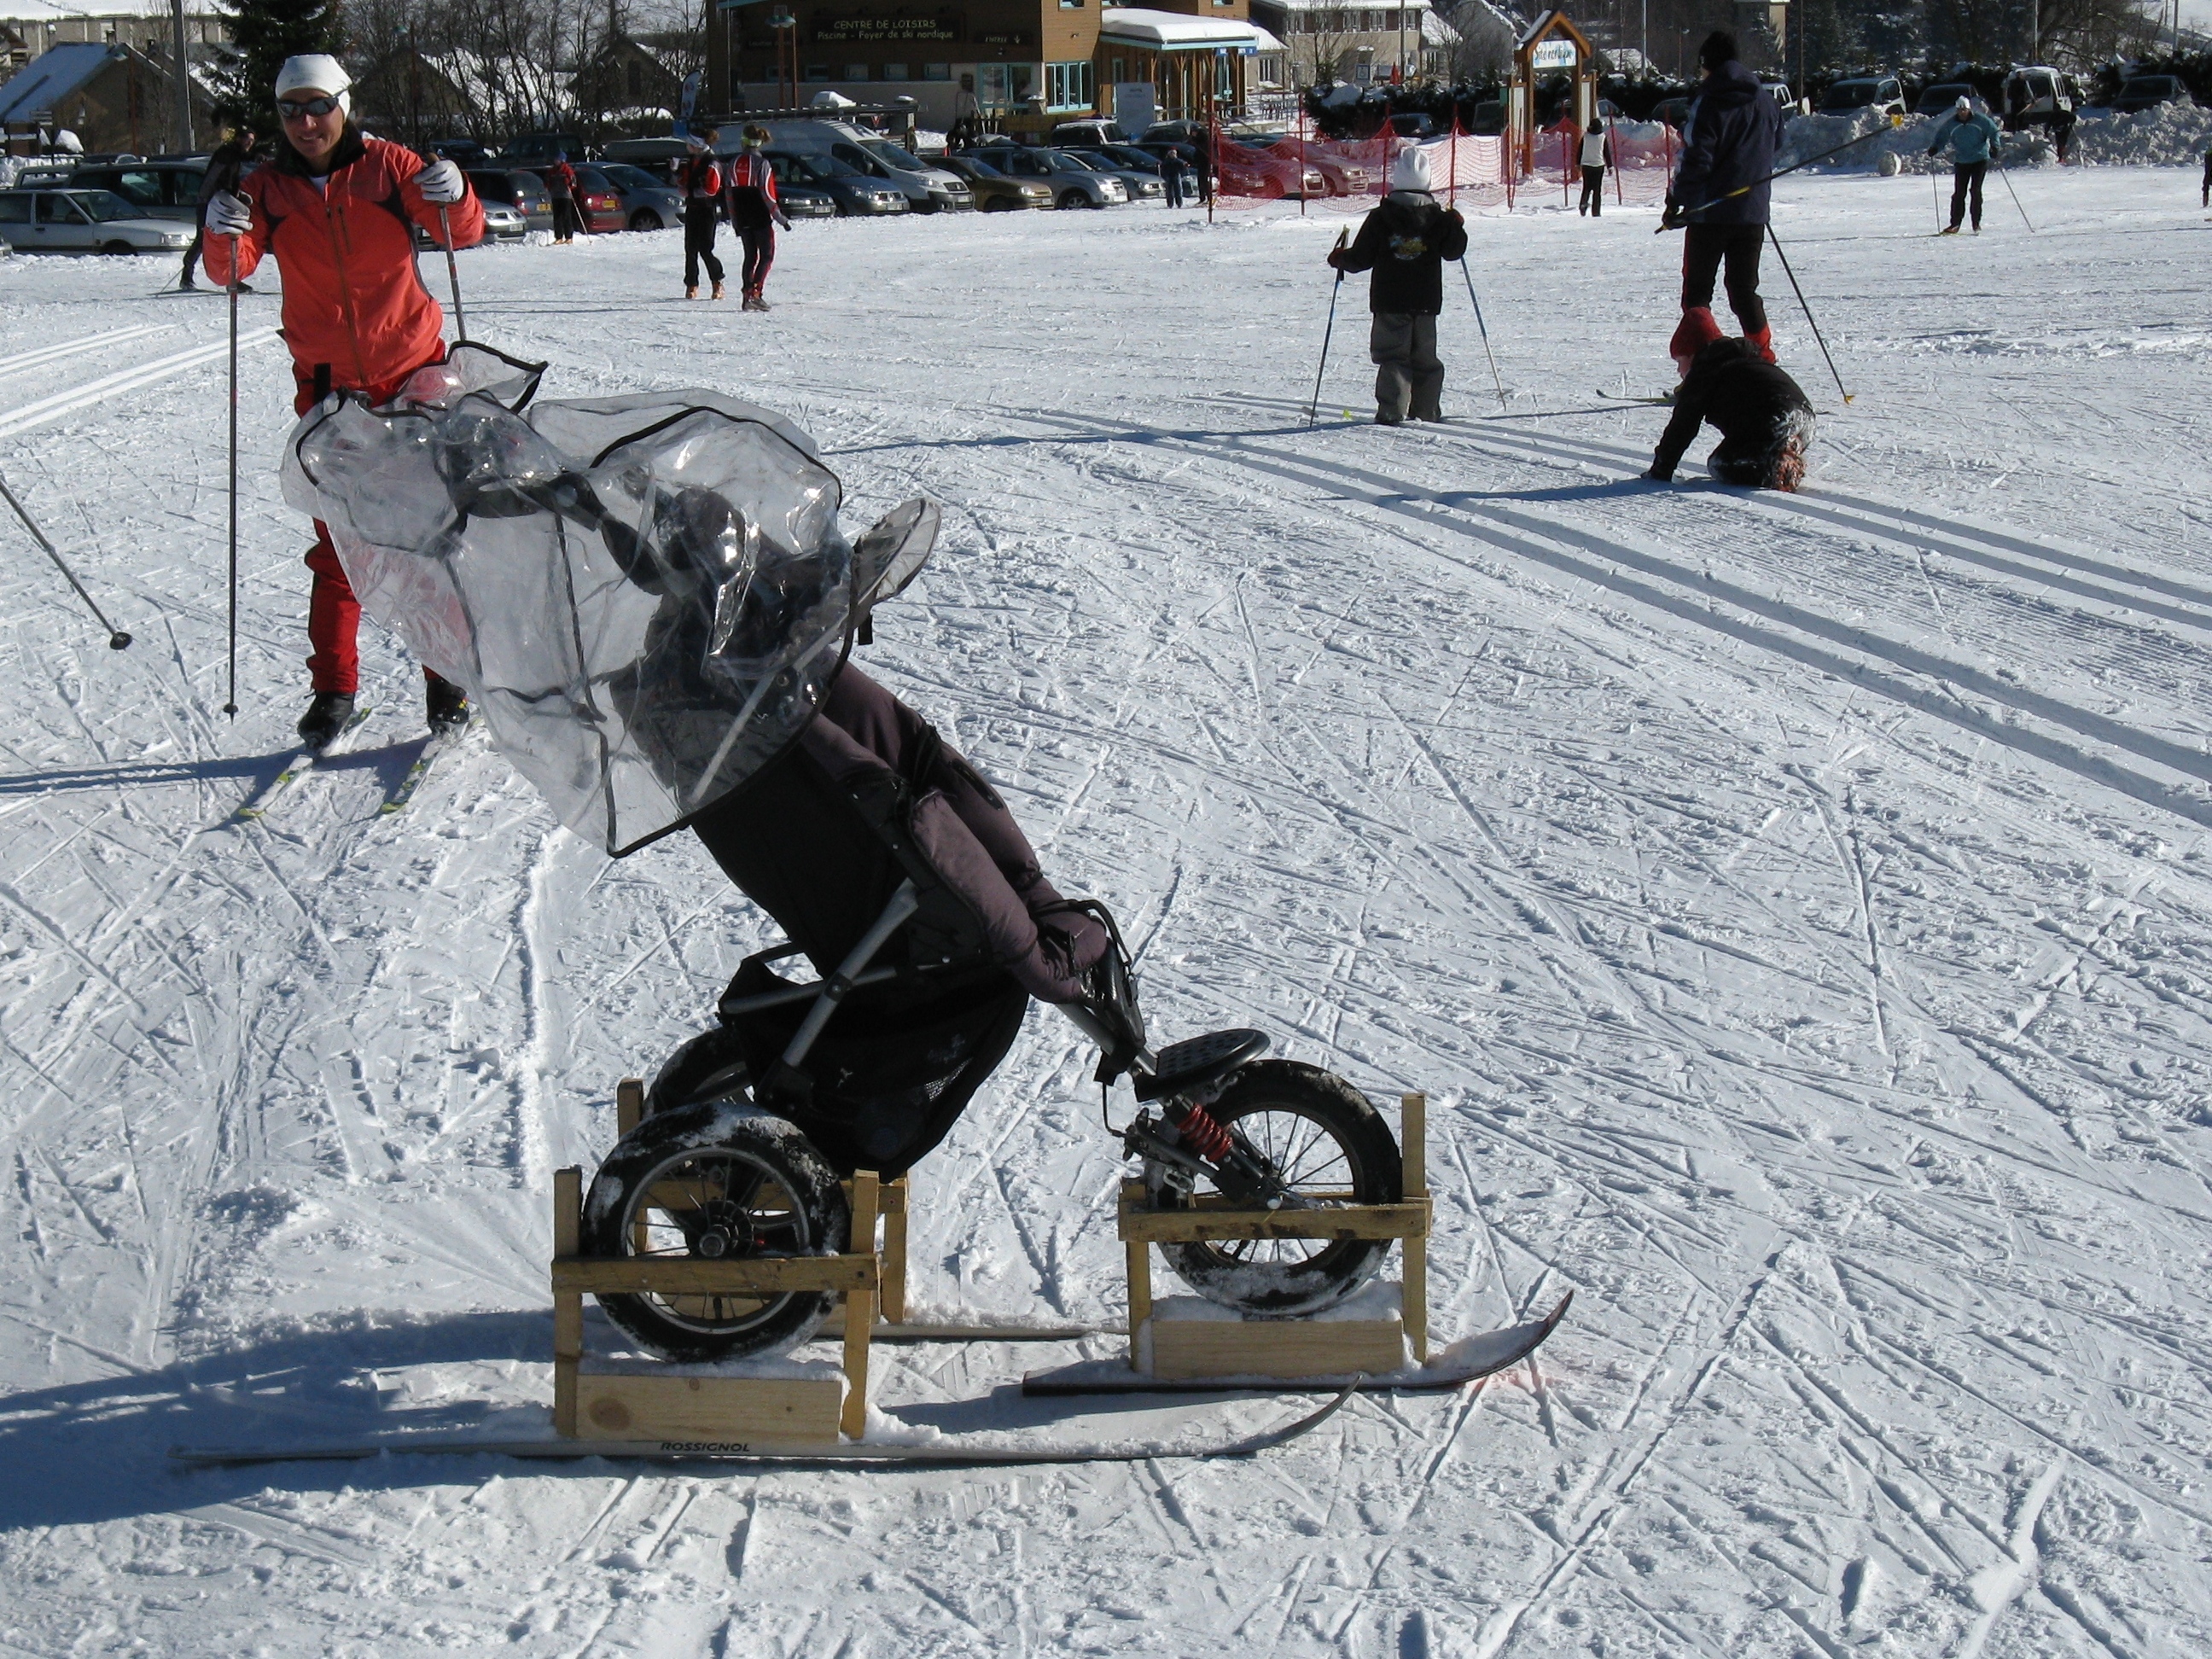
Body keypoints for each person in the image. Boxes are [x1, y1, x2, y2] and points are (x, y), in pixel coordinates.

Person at [202, 54, 484, 749]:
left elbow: (461, 231)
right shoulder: (266, 189)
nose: (306, 122)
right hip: (332, 394)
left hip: (415, 384)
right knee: (339, 549)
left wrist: (457, 193)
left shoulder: (388, 168)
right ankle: (333, 690)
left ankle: (444, 677)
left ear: (344, 103)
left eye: (318, 106)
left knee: (427, 542)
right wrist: (220, 230)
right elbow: (230, 271)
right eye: (292, 109)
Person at [1663, 32, 1785, 364]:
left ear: (1707, 65)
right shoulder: (1766, 101)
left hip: (1709, 213)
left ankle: (1702, 365)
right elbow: (1775, 145)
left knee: (1697, 296)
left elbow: (1695, 157)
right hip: (1753, 213)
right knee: (1744, 291)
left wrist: (1677, 201)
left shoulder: (1709, 101)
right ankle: (1764, 359)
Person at [1327, 148, 1469, 426]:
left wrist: (1339, 259)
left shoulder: (1381, 217)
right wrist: (1457, 226)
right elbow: (1454, 251)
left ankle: (1392, 412)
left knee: (1393, 356)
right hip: (1426, 302)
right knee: (1425, 358)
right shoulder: (1439, 218)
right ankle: (1426, 412)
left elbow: (1361, 258)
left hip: (1390, 300)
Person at [1644, 308, 1814, 491]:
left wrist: (1661, 470)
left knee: (1719, 464)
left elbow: (1683, 425)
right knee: (1764, 441)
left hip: (1772, 416)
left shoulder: (1704, 371)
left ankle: (1772, 468)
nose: (1679, 371)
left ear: (1693, 354)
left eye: (1680, 361)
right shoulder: (1745, 361)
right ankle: (1782, 456)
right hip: (1805, 418)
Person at [178, 127, 257, 291]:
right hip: (209, 201)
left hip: (222, 201)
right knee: (204, 239)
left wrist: (238, 195)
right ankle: (187, 276)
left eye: (252, 141)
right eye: (247, 140)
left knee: (231, 240)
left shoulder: (233, 156)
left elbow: (231, 180)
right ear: (238, 139)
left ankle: (232, 280)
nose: (249, 143)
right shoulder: (227, 153)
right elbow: (217, 179)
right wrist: (254, 156)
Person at [723, 125, 789, 311]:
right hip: (759, 214)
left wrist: (734, 219)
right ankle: (756, 294)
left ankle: (747, 295)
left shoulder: (734, 163)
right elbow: (768, 195)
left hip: (742, 215)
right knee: (767, 255)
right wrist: (780, 218)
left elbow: (728, 195)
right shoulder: (763, 164)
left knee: (750, 256)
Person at [1927, 95, 2002, 234]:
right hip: (1962, 161)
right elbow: (1942, 136)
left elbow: (1993, 132)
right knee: (1959, 193)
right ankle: (1955, 224)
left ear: (1969, 109)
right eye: (1959, 110)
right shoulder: (1952, 124)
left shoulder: (1981, 120)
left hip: (1980, 159)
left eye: (1964, 109)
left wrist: (1995, 147)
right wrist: (1935, 147)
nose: (1962, 112)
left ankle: (1976, 222)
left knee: (1975, 190)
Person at [678, 131, 725, 300]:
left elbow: (711, 189)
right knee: (690, 248)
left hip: (707, 209)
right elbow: (683, 182)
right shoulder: (691, 161)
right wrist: (676, 174)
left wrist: (689, 191)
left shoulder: (712, 163)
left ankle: (717, 281)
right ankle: (692, 284)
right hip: (693, 208)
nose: (688, 146)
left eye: (690, 144)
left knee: (706, 248)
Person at [1578, 117, 1610, 218]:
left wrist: (1577, 163)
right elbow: (1606, 152)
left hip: (1586, 165)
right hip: (1598, 165)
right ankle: (1596, 212)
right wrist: (1610, 166)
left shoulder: (1586, 136)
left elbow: (1580, 150)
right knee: (1597, 191)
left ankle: (1583, 204)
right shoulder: (1602, 137)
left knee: (1586, 187)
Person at [545, 151, 580, 243]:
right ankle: (558, 237)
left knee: (566, 217)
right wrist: (548, 187)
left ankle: (569, 237)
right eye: (555, 159)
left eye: (557, 159)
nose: (555, 161)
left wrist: (569, 184)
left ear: (562, 160)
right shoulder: (552, 171)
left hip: (565, 196)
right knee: (557, 217)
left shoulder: (567, 170)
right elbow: (548, 181)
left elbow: (574, 182)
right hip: (555, 195)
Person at [1159, 145, 1187, 209]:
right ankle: (1170, 204)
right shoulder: (1166, 161)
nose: (1173, 155)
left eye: (1174, 153)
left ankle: (1179, 203)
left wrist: (1185, 165)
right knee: (1169, 191)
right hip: (1168, 176)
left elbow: (1183, 166)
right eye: (1171, 153)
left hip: (1176, 175)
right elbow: (1163, 167)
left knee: (1178, 190)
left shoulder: (1178, 161)